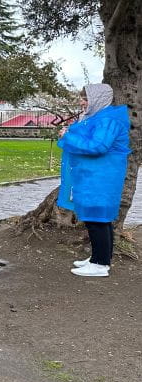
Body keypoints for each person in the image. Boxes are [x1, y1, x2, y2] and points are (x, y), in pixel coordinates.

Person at [58, 84, 131, 277]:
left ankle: (100, 265)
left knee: (97, 219)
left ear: (98, 99)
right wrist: (71, 133)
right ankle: (99, 259)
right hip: (96, 175)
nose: (82, 102)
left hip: (101, 177)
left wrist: (68, 137)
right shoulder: (101, 117)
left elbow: (98, 146)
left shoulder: (108, 120)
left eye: (86, 99)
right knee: (98, 219)